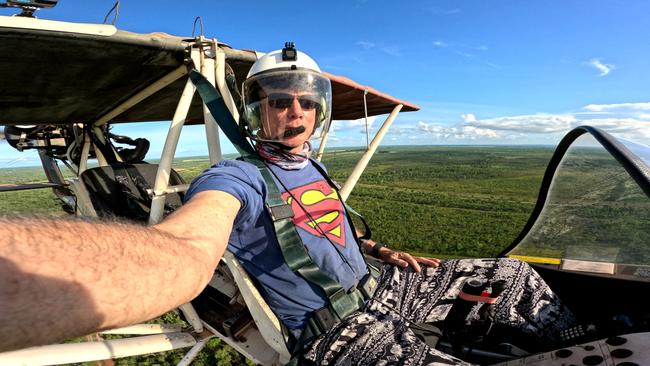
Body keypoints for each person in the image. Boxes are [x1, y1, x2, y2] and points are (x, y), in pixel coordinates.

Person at [0, 44, 574, 365]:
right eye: (279, 102)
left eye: (305, 101)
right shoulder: (236, 178)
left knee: (514, 277)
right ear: (257, 111)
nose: (294, 112)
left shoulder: (310, 166)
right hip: (333, 333)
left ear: (317, 111)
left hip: (382, 285)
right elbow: (185, 245)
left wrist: (372, 249)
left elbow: (318, 229)